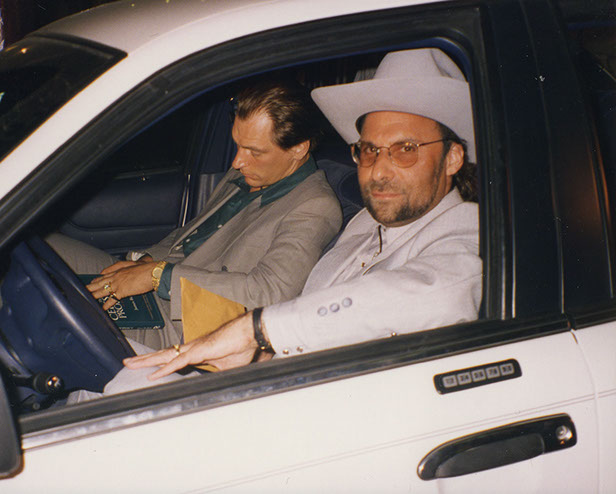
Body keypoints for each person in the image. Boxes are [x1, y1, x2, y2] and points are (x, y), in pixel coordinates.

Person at [123, 47, 482, 380]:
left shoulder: (468, 233)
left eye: (405, 149)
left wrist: (258, 330)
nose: (379, 170)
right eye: (369, 150)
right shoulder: (366, 223)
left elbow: (434, 293)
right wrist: (259, 354)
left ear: (452, 158)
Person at [47, 80, 342, 350]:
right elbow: (189, 235)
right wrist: (145, 262)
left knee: (52, 313)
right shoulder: (249, 173)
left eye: (254, 151)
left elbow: (269, 293)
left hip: (183, 327)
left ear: (298, 148)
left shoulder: (314, 206)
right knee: (39, 249)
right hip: (156, 294)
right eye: (238, 145)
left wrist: (158, 276)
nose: (237, 161)